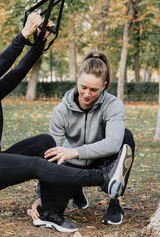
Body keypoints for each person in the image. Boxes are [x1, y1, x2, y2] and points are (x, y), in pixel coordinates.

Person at [0, 13, 133, 233]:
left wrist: (38, 42)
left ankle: (49, 211)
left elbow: (18, 72)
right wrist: (23, 34)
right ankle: (103, 178)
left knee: (45, 144)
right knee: (36, 166)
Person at [27, 49, 135, 225]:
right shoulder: (61, 111)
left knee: (126, 137)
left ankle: (115, 202)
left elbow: (114, 144)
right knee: (53, 207)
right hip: (71, 167)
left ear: (104, 85)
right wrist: (41, 196)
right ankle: (75, 189)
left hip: (102, 162)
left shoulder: (113, 105)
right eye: (83, 87)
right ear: (77, 79)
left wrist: (75, 152)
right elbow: (49, 154)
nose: (87, 94)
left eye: (94, 89)